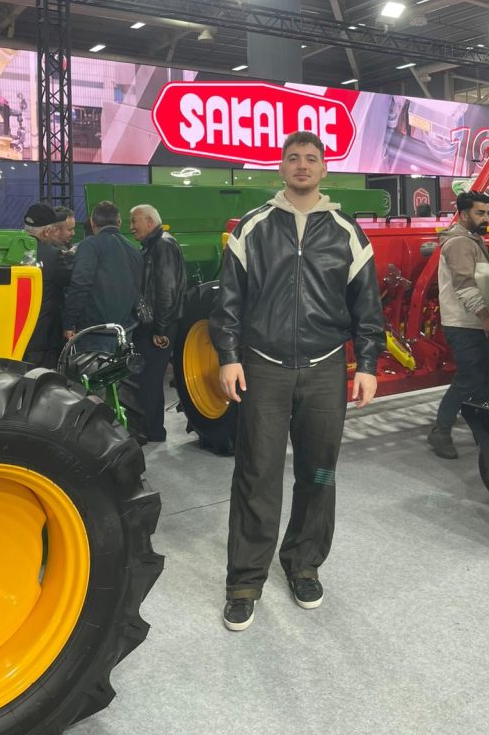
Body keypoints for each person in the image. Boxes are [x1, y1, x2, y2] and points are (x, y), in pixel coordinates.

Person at [210, 130, 385, 632]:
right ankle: (245, 581)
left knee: (319, 472)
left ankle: (304, 564)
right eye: (294, 158)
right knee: (256, 472)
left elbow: (367, 305)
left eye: (311, 158)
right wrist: (228, 356)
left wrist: (367, 364)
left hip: (325, 367)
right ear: (281, 167)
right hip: (263, 367)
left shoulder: (347, 232)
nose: (303, 165)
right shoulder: (253, 228)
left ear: (324, 169)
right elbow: (228, 300)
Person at [429, 189, 489, 460]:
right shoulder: (459, 243)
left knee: (484, 374)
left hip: (477, 323)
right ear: (463, 214)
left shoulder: (473, 240)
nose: (486, 218)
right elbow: (464, 285)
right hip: (464, 323)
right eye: (480, 213)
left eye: (488, 213)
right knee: (470, 376)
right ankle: (441, 431)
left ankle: (479, 428)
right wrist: (486, 317)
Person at [128, 204, 188, 443]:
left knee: (149, 380)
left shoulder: (163, 245)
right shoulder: (155, 245)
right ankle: (152, 430)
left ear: (150, 222)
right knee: (148, 379)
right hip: (154, 324)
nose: (131, 227)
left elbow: (167, 290)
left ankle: (149, 431)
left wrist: (160, 328)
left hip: (159, 326)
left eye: (134, 221)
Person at [62, 200, 141, 353]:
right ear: (119, 222)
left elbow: (80, 285)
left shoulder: (90, 246)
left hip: (95, 334)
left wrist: (68, 322)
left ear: (92, 223)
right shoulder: (134, 249)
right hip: (125, 332)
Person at [22, 202, 71, 368]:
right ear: (46, 231)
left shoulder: (9, 250)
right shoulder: (52, 255)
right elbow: (69, 279)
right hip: (42, 338)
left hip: (14, 333)